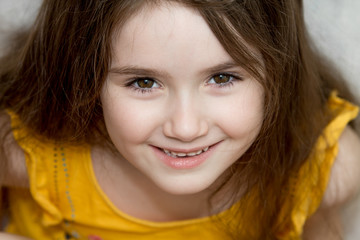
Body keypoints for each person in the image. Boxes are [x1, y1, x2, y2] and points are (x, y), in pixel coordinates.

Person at [0, 0, 359, 239]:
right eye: (143, 82)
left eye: (222, 78)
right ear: (85, 80)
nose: (185, 128)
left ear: (281, 75)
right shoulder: (31, 154)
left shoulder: (322, 169)